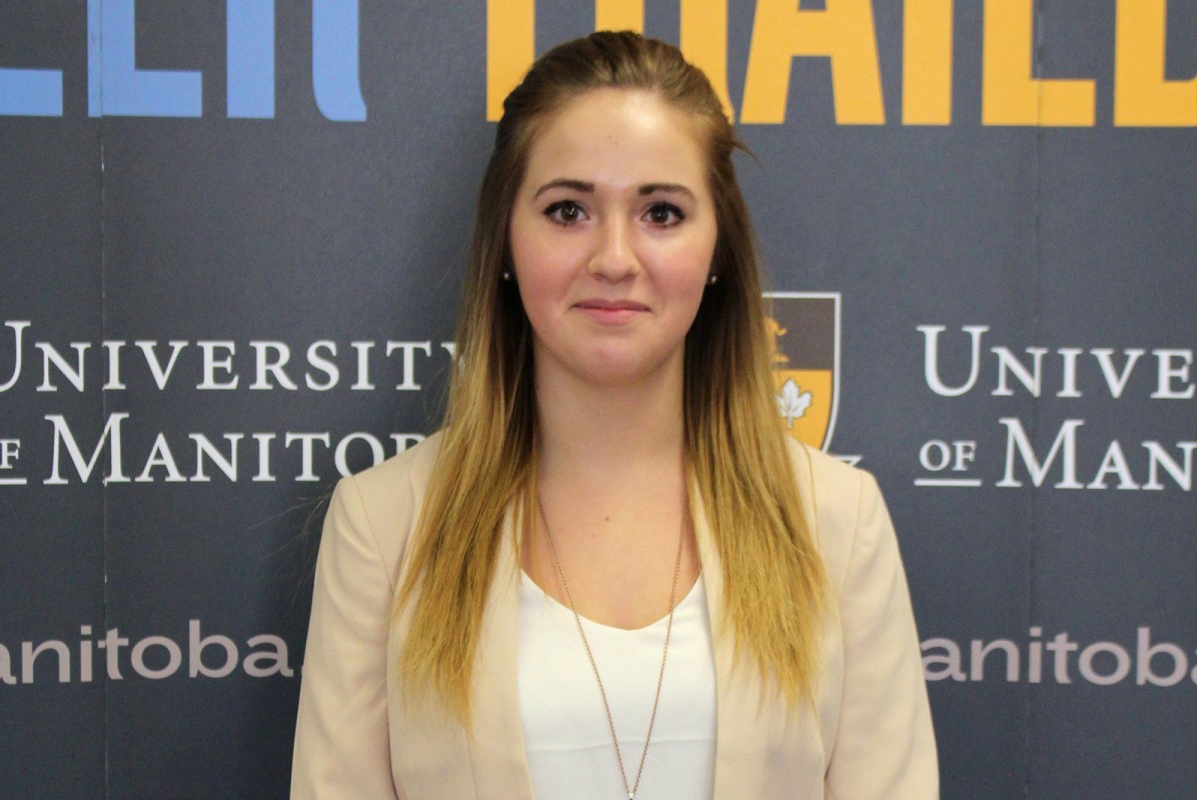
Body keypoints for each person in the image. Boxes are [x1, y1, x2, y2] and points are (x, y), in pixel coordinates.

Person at [291, 30, 937, 800]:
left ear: (718, 250)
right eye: (568, 210)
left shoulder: (837, 522)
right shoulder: (384, 525)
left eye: (661, 213)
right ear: (506, 240)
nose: (615, 259)